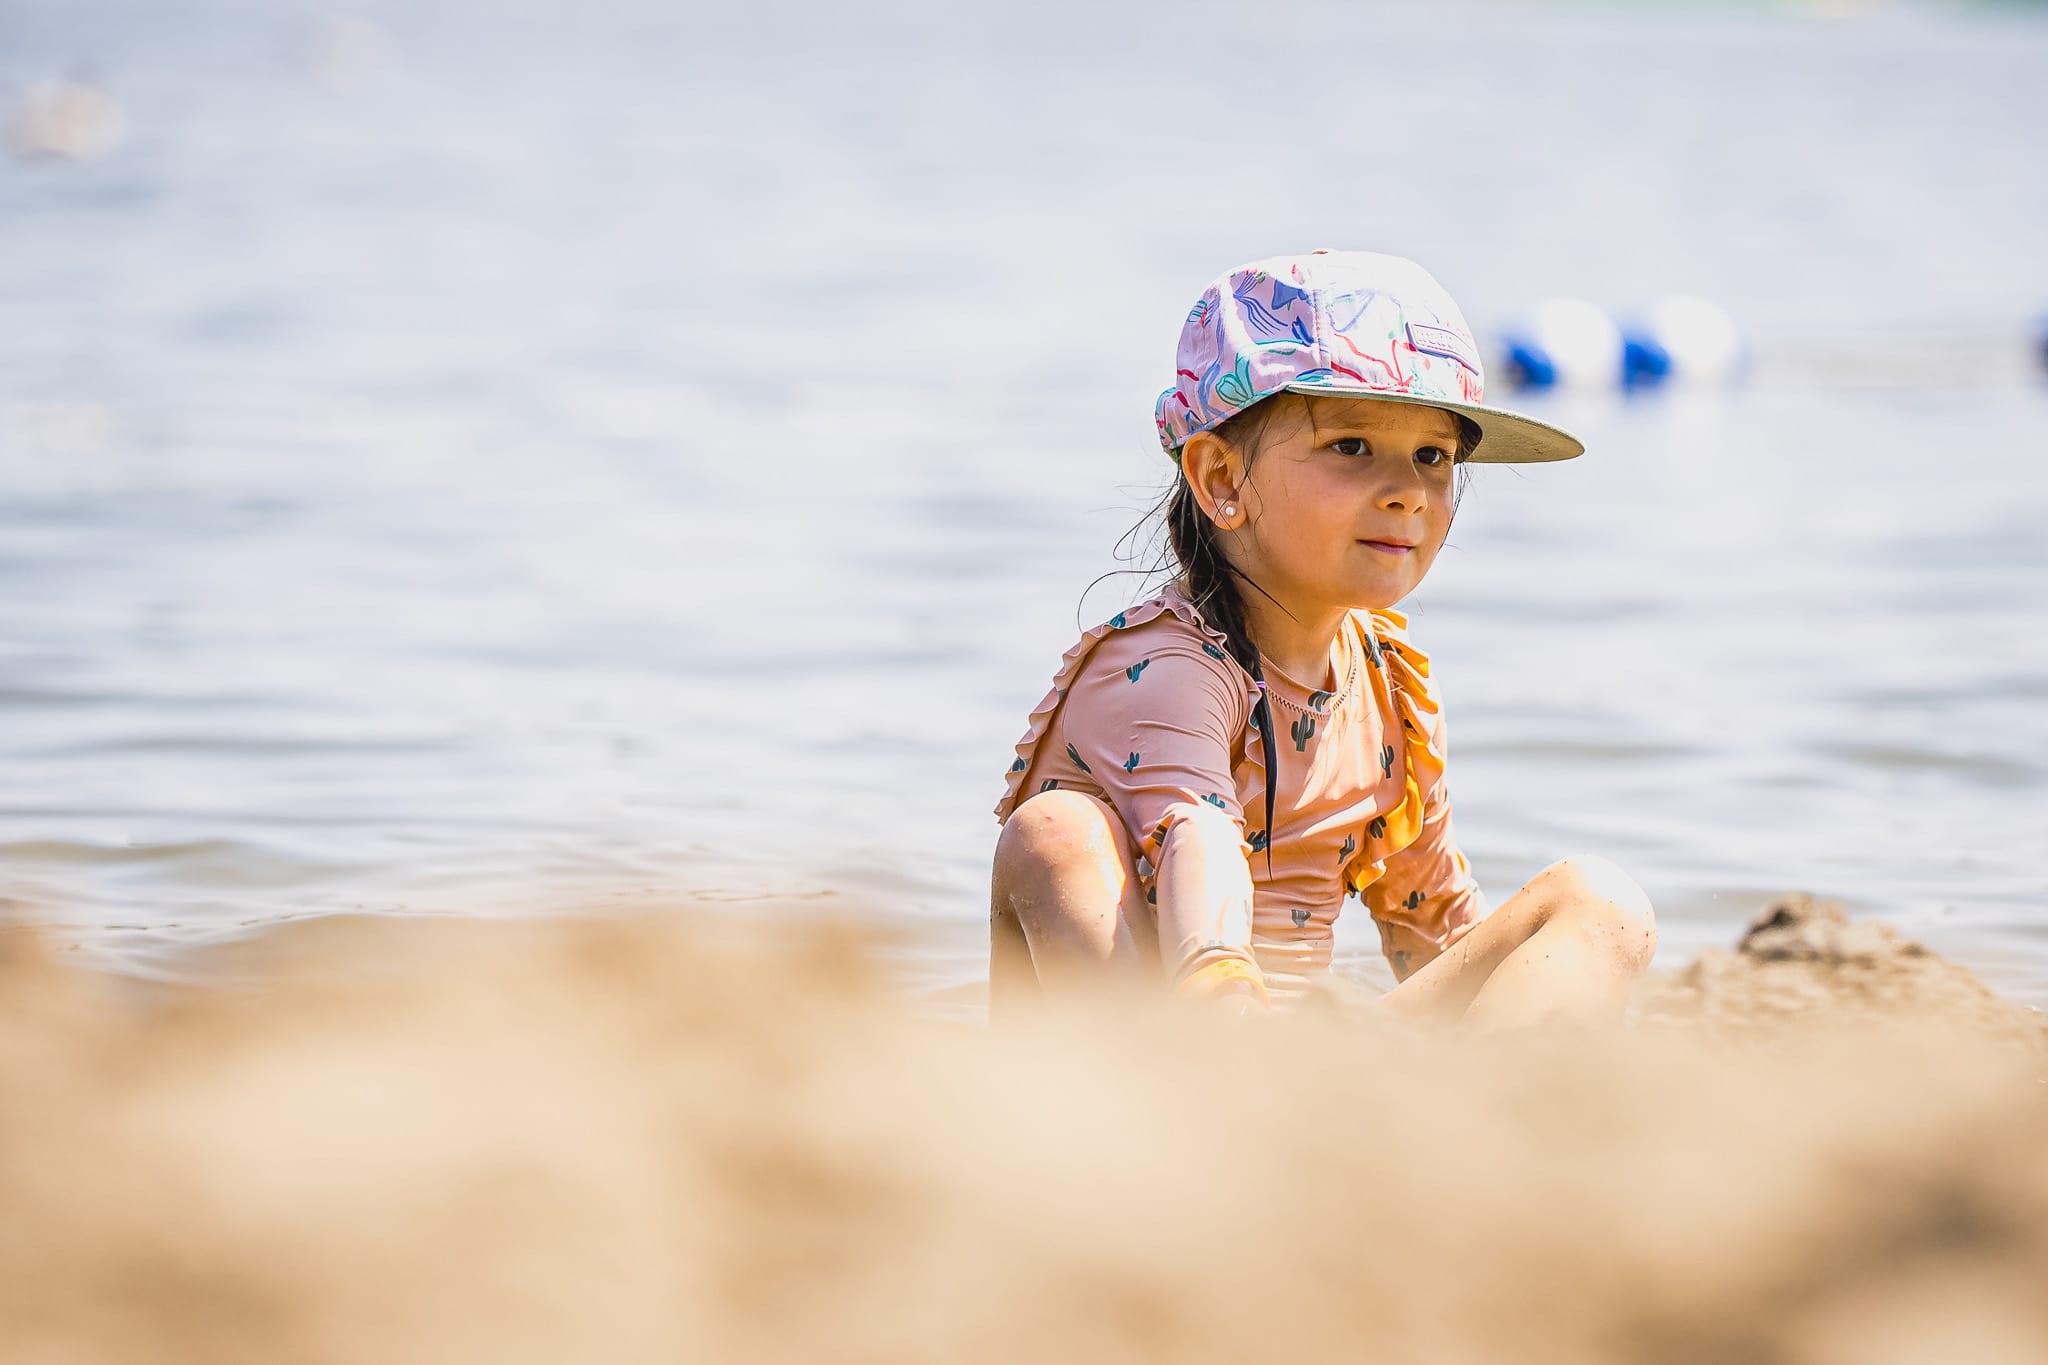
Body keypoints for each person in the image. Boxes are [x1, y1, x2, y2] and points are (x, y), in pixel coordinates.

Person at [989, 250, 1657, 1026]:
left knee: (1602, 901)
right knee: (1057, 833)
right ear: (1221, 481)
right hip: (1157, 1049)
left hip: (1303, 1083)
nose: (1409, 491)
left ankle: (1495, 1119)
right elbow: (1198, 839)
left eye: (1433, 456)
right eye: (1351, 446)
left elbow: (1432, 921)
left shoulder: (1387, 683)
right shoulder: (1164, 668)